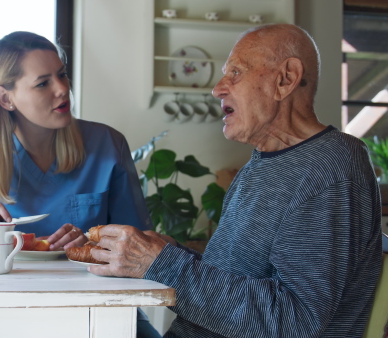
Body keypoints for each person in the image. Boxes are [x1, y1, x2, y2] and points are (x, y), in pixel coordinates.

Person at [89, 24, 383, 338]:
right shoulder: (262, 162)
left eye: (236, 73)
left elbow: (295, 321)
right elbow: (238, 280)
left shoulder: (332, 165)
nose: (217, 89)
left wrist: (163, 265)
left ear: (285, 79)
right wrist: (170, 254)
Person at [0, 31, 159, 337]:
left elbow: (139, 243)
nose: (63, 89)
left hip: (96, 311)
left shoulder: (107, 145)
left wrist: (91, 246)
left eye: (62, 75)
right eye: (43, 83)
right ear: (5, 98)